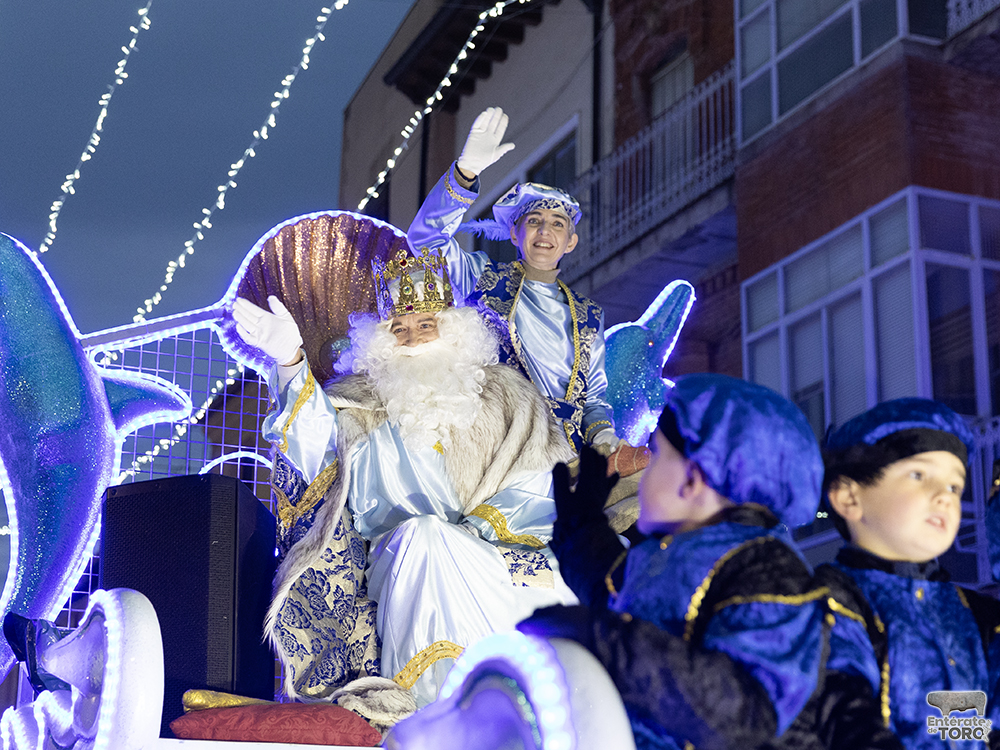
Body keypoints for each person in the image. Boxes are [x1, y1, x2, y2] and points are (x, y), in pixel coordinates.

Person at [232, 246, 578, 709]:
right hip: (399, 558)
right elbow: (312, 450)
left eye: (426, 324)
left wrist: (476, 537)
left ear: (453, 330)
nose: (412, 338)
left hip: (499, 551)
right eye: (399, 328)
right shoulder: (355, 403)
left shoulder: (508, 395)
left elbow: (542, 478)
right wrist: (291, 362)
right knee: (425, 539)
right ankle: (431, 712)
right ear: (380, 340)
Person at [518, 374, 900, 750]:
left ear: (692, 480)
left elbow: (744, 713)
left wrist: (606, 640)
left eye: (656, 455)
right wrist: (582, 529)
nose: (643, 472)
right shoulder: (672, 553)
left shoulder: (767, 567)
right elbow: (617, 594)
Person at [407, 107, 626, 458]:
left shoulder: (589, 316)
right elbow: (425, 240)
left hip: (561, 455)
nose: (544, 231)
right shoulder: (482, 277)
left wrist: (603, 435)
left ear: (570, 242)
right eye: (534, 220)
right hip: (493, 442)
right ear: (514, 233)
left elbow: (593, 400)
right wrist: (465, 174)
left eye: (557, 224)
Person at [817, 398, 1000, 749]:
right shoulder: (829, 602)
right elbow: (840, 715)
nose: (945, 497)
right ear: (848, 497)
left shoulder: (979, 615)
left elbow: (987, 725)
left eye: (955, 487)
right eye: (919, 476)